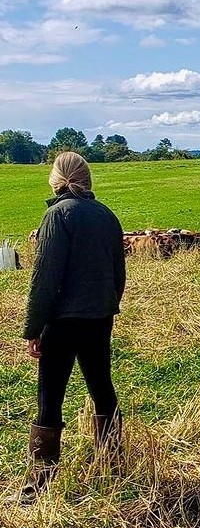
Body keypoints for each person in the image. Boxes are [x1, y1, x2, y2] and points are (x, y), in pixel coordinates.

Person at [14, 151, 126, 504]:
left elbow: (44, 278)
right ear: (87, 178)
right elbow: (118, 274)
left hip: (62, 322)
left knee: (50, 397)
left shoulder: (56, 216)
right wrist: (108, 305)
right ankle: (112, 462)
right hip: (99, 318)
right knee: (101, 387)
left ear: (55, 178)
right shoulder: (107, 215)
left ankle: (38, 484)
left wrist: (33, 327)